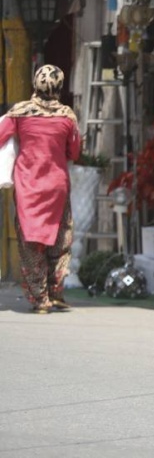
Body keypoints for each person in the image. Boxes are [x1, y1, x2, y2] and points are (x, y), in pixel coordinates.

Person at [0, 65, 81, 314]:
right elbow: (74, 152)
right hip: (56, 187)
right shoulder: (67, 116)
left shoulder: (19, 113)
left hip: (28, 188)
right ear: (59, 86)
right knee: (60, 239)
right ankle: (56, 292)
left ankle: (40, 300)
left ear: (35, 84)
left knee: (31, 242)